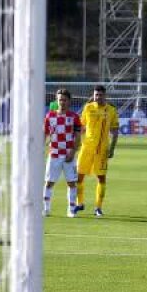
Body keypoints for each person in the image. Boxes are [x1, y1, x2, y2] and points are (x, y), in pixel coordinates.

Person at [75, 85, 119, 218]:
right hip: (86, 147)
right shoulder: (87, 108)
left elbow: (115, 131)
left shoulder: (111, 110)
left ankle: (98, 207)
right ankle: (79, 203)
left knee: (101, 178)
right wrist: (75, 144)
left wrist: (112, 148)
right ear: (93, 95)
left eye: (100, 95)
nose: (98, 97)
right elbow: (81, 127)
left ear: (105, 95)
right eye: (96, 95)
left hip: (102, 150)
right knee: (79, 176)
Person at [43, 89, 82, 218]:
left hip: (68, 155)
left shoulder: (74, 117)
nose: (62, 102)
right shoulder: (50, 116)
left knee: (71, 183)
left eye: (64, 100)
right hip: (54, 154)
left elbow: (77, 137)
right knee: (49, 182)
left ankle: (71, 209)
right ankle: (46, 209)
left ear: (69, 101)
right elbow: (45, 135)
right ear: (57, 100)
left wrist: (73, 152)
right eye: (60, 99)